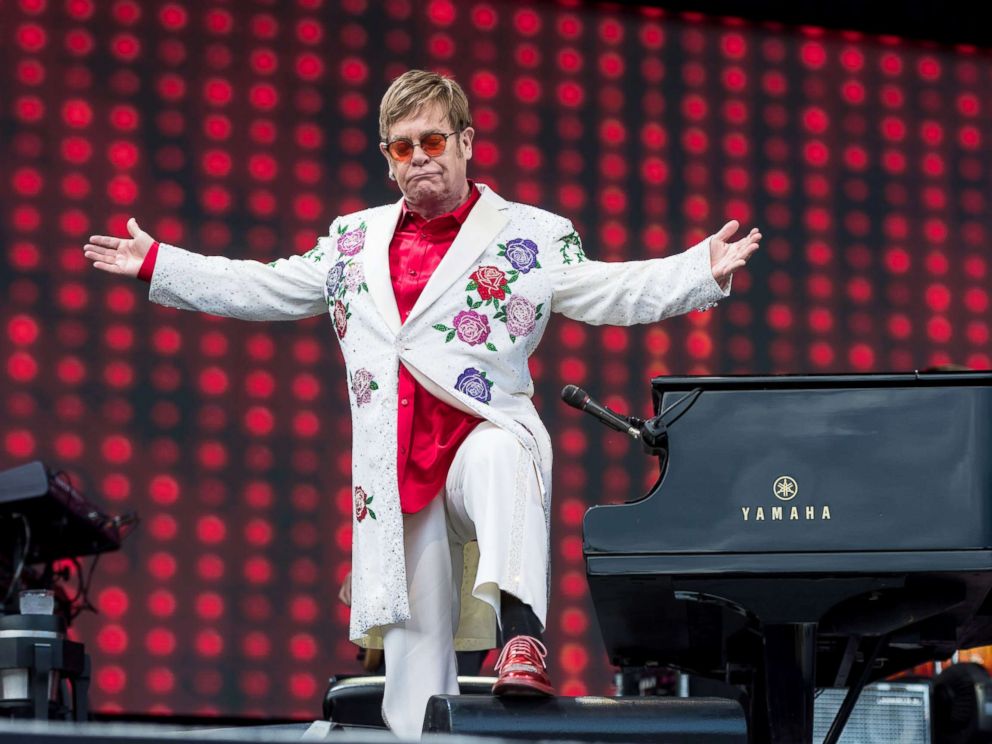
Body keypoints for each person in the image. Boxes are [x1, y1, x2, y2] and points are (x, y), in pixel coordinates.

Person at [83, 69, 761, 738]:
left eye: (432, 141)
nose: (418, 159)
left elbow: (611, 289)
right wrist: (159, 263)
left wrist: (697, 269)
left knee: (502, 456)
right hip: (397, 472)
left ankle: (521, 639)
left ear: (466, 142)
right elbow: (263, 285)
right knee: (412, 681)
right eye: (402, 147)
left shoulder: (528, 234)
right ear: (388, 159)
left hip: (480, 433)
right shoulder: (354, 240)